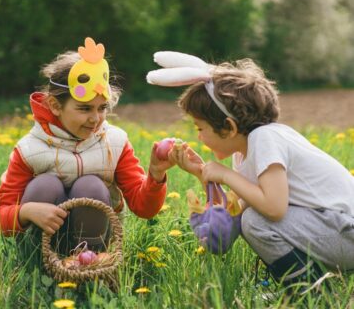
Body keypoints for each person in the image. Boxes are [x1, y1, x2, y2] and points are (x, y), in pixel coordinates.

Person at [147, 51, 354, 290]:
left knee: (257, 222)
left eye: (200, 127)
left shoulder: (265, 139)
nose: (198, 136)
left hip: (346, 231)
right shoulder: (246, 151)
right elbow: (233, 213)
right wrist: (202, 174)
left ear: (229, 127)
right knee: (250, 217)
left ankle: (311, 295)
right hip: (335, 230)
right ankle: (308, 288)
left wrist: (226, 175)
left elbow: (274, 209)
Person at [0, 37, 172, 253]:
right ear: (55, 106)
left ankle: (91, 264)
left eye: (102, 107)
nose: (96, 119)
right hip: (43, 241)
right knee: (45, 185)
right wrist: (26, 211)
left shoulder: (115, 142)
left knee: (91, 186)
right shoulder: (29, 149)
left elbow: (144, 208)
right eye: (85, 109)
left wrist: (156, 175)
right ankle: (38, 264)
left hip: (94, 240)